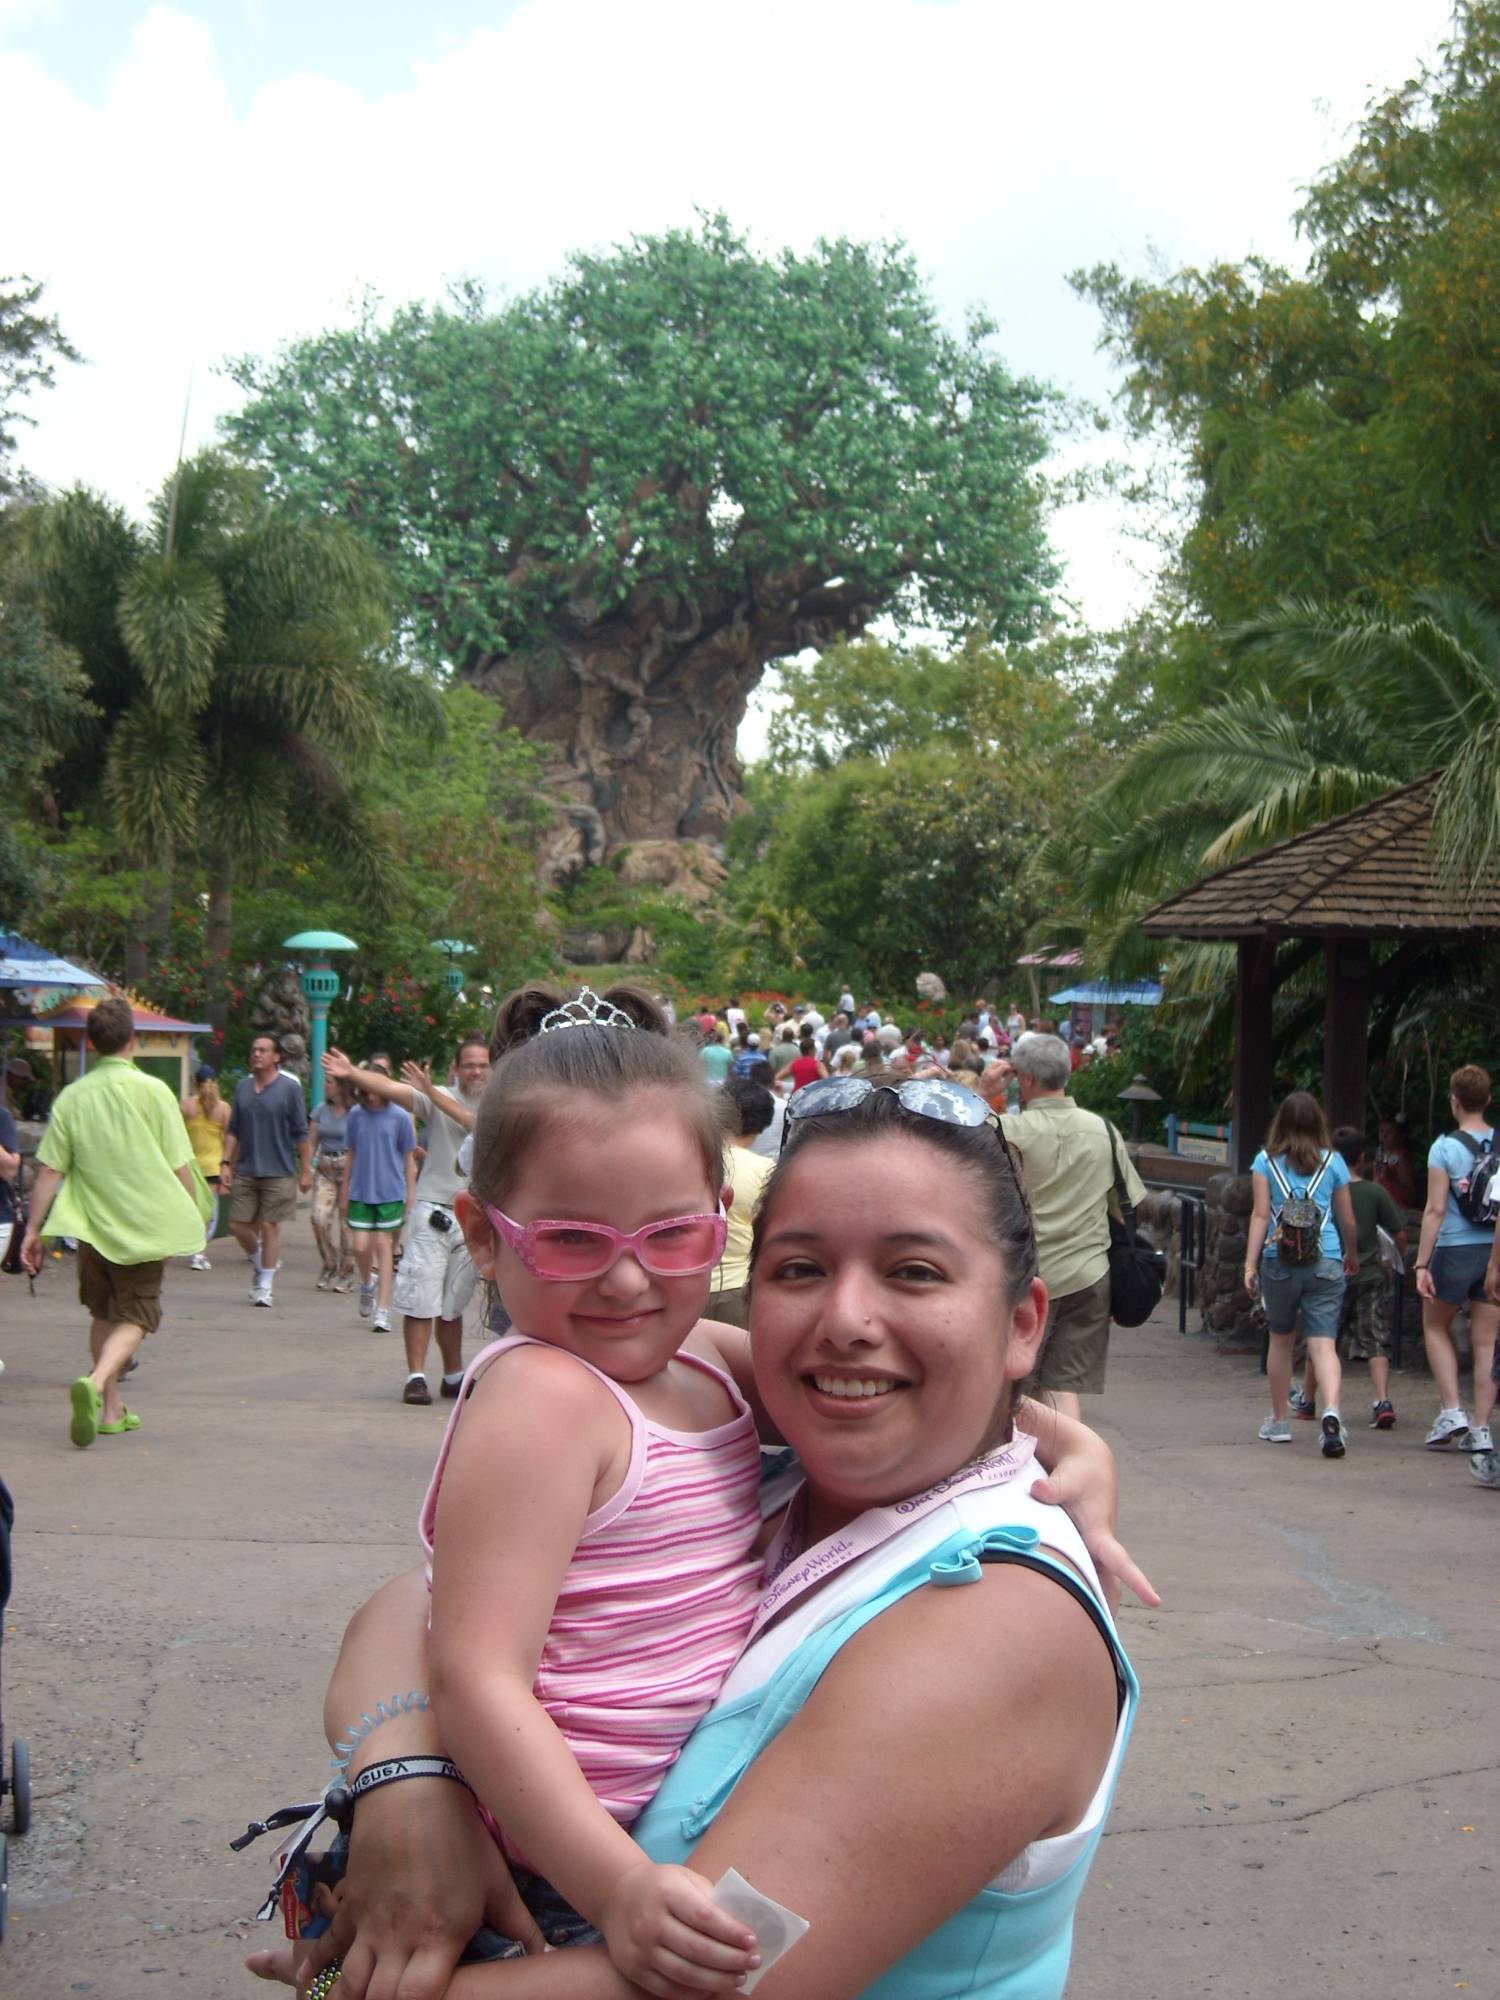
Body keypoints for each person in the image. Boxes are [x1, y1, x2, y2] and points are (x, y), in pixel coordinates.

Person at [248, 1050, 1151, 2000]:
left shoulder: (996, 1621)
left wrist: (334, 1994)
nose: (845, 1320)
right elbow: (420, 1608)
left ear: (1022, 1325)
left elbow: (708, 1985)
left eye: (915, 1271)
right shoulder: (769, 1466)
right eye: (800, 1268)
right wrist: (410, 1776)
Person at [19, 995, 205, 1446]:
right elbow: (181, 1166)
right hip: (144, 1226)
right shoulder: (156, 1093)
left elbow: (49, 1170)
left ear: (91, 1042)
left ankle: (111, 1410)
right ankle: (98, 1380)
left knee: (103, 1311)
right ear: (133, 1040)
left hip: (92, 1229)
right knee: (137, 1313)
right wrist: (192, 1221)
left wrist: (33, 1231)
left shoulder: (73, 1098)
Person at [326, 1036, 491, 1403]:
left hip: (475, 1219)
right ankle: (416, 1376)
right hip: (434, 1211)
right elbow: (387, 1087)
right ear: (456, 1068)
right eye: (469, 1065)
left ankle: (453, 1375)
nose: (476, 1071)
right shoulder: (434, 1096)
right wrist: (351, 1072)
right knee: (420, 1299)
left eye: (483, 1064)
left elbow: (473, 1122)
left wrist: (430, 1091)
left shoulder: (499, 1105)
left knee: (452, 1305)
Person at [995, 1034, 1147, 1420]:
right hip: (1088, 1275)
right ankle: (1069, 1467)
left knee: (1013, 1384)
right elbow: (1122, 1208)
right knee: (1062, 1388)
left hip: (1025, 1278)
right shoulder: (1104, 1131)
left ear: (1025, 1079)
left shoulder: (1008, 1130)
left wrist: (984, 1088)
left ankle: (1022, 1474)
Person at [1243, 1091, 1359, 1456]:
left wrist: (1249, 1263)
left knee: (1280, 1339)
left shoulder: (1265, 1162)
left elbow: (1261, 1215)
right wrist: (1351, 1254)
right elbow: (1347, 1218)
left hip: (1280, 1259)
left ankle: (1279, 1421)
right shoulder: (1335, 1163)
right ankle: (1331, 1412)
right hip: (1325, 1259)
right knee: (1323, 1343)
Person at [1412, 1064, 1498, 1457]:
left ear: (1454, 1101)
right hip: (1494, 1250)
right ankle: (1481, 1428)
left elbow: (1434, 1209)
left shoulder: (1443, 1147)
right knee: (1487, 1343)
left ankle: (1451, 1410)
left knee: (1434, 1325)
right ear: (1488, 1100)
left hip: (1454, 1247)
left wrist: (1421, 1263)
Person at [222, 1033, 312, 1309]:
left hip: (279, 1169)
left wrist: (306, 1169)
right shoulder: (243, 1088)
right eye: (253, 1050)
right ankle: (261, 1260)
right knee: (237, 1223)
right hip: (247, 1168)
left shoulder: (289, 1088)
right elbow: (234, 1128)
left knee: (270, 1226)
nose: (256, 1054)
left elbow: (301, 1131)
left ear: (276, 1057)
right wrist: (226, 1162)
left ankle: (265, 1286)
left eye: (262, 1050)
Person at [1329, 1126, 1408, 1430]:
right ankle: (1382, 1400)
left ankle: (1309, 1399)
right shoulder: (1375, 1192)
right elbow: (1399, 1232)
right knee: (1375, 1339)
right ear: (1362, 1157)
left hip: (1332, 1275)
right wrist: (1393, 1256)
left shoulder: (1326, 1189)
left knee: (1323, 1340)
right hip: (1370, 1273)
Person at [343, 1056, 418, 1335]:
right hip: (362, 1190)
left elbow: (409, 1156)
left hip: (390, 1191)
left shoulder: (399, 1116)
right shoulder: (355, 1116)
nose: (372, 1096)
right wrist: (345, 1188)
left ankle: (383, 1310)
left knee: (383, 1245)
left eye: (377, 1090)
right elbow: (351, 1153)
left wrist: (411, 1193)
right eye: (367, 1091)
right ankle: (367, 1284)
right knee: (360, 1247)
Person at [707, 1074, 775, 1327]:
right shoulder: (766, 1171)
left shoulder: (691, 1162)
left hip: (688, 1285)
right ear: (762, 1124)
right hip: (741, 1288)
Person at [179, 1062, 229, 1271]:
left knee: (192, 1208)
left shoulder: (185, 1105)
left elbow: (177, 1135)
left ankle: (189, 1247)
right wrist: (229, 1165)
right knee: (207, 1211)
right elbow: (228, 1139)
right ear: (215, 1082)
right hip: (214, 1167)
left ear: (194, 1082)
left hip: (191, 1165)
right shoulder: (224, 1108)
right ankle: (200, 1253)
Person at [309, 1072, 356, 1292]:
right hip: (326, 1169)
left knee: (347, 1224)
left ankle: (347, 1272)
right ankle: (329, 1262)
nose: (325, 1085)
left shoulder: (355, 1112)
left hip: (349, 1167)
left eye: (329, 1082)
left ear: (341, 1086)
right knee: (319, 1218)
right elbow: (311, 1143)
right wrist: (308, 1169)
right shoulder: (321, 1111)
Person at [1372, 1114, 1418, 1210]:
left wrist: (1391, 1179)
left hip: (1397, 1210)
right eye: (1381, 1131)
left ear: (1401, 1136)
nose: (1383, 1136)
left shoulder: (1401, 1157)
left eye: (1389, 1133)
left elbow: (1410, 1196)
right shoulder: (1380, 1153)